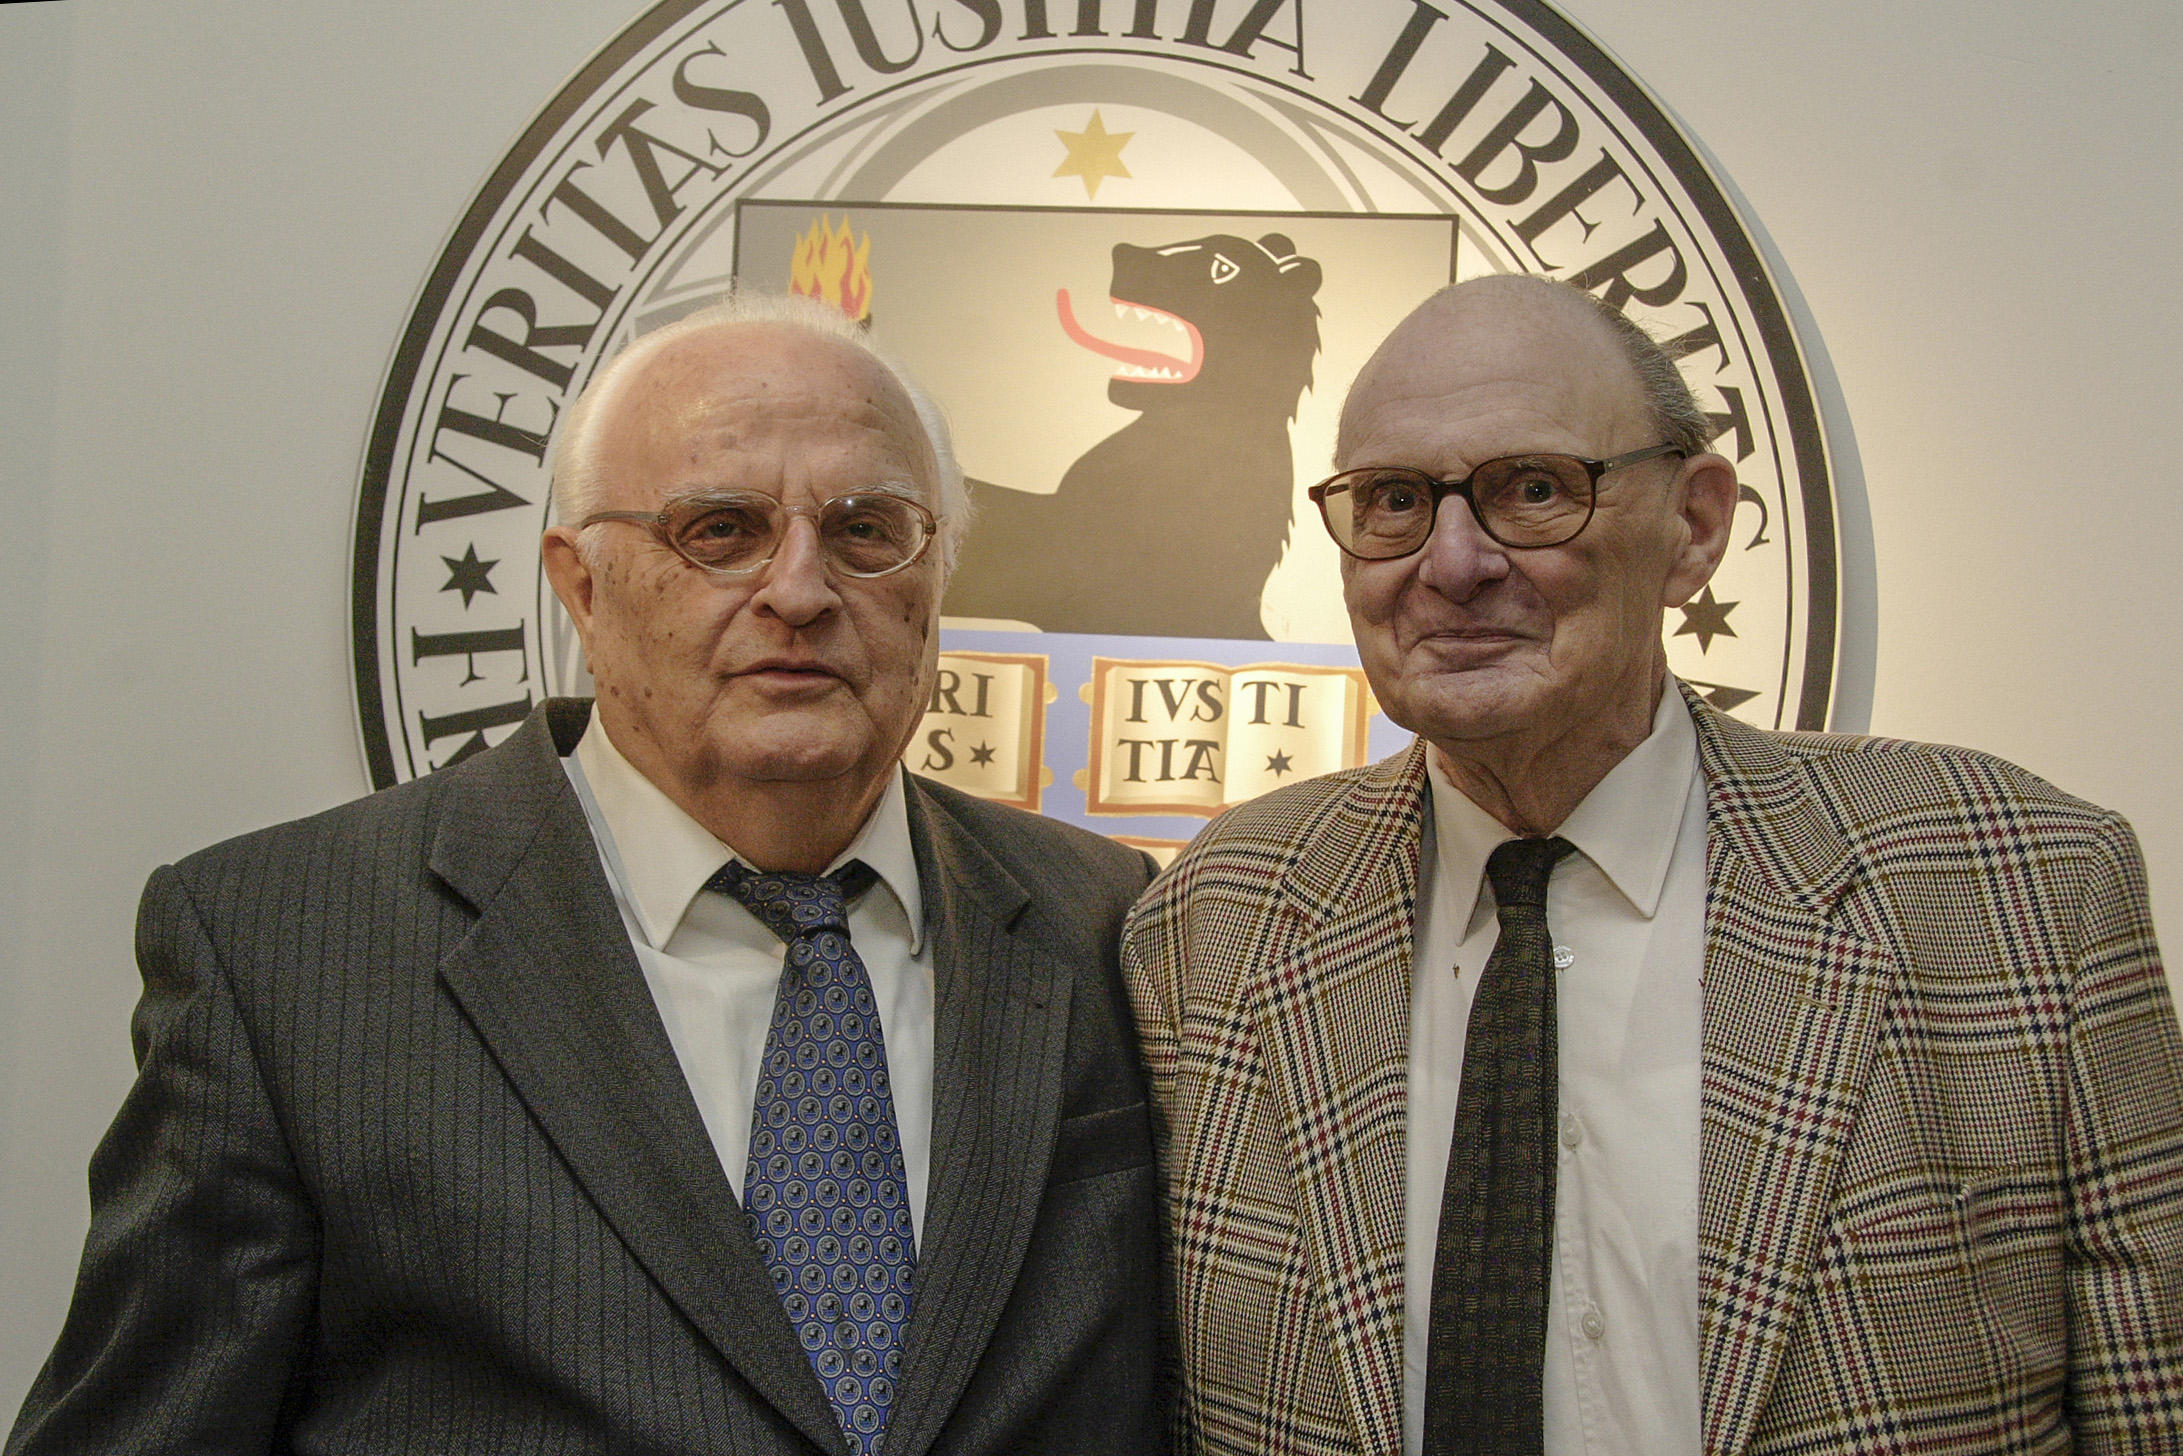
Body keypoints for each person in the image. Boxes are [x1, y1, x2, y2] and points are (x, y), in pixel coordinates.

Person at [10, 293, 1164, 1455]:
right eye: (720, 529)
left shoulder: (1114, 922)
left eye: (865, 529)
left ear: (935, 577)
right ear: (581, 586)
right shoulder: (283, 952)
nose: (800, 589)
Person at [1122, 274, 2183, 1455]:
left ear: (1693, 526)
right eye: (1394, 501)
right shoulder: (1217, 919)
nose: (1452, 561)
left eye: (1533, 489)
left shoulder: (2016, 889)